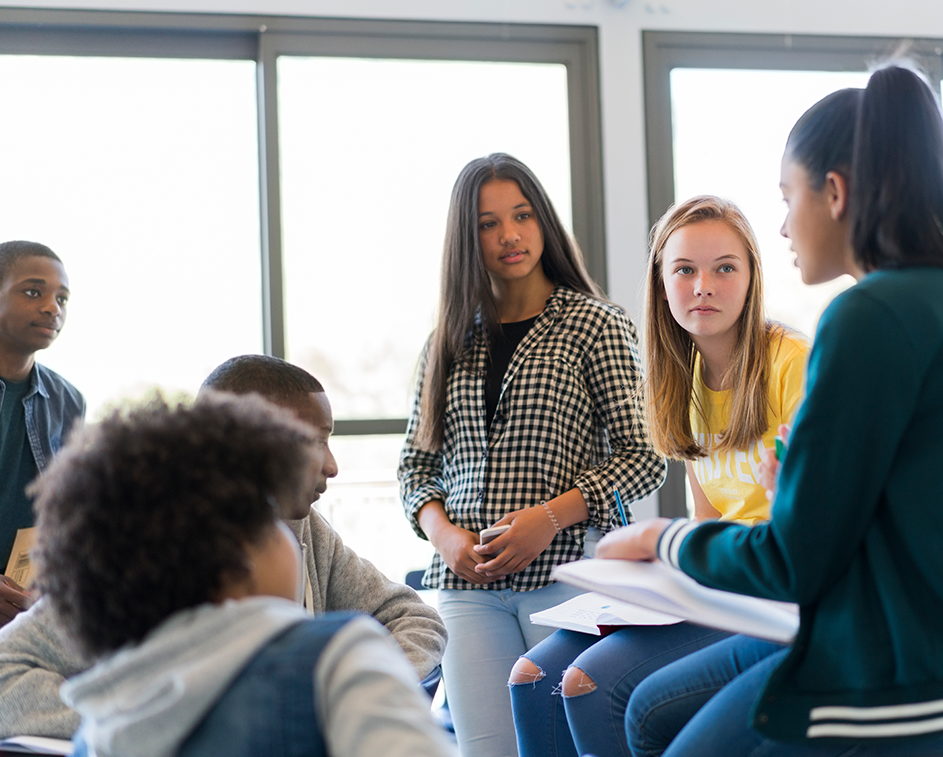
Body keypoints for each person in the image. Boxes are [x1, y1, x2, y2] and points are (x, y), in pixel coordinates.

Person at [597, 63, 943, 757]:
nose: (784, 225)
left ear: (834, 193)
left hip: (921, 680)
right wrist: (794, 486)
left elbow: (793, 563)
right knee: (650, 713)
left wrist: (662, 541)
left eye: (787, 195)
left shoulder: (869, 314)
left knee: (662, 735)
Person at [0, 354, 447, 739]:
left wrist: (356, 694)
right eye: (313, 441)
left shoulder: (308, 530)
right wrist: (146, 716)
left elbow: (415, 617)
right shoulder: (136, 547)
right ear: (241, 442)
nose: (331, 465)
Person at [509, 195, 809, 757]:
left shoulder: (793, 363)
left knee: (584, 684)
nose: (703, 286)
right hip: (714, 583)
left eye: (725, 268)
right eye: (685, 269)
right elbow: (709, 519)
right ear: (662, 282)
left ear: (751, 278)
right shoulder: (682, 378)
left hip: (768, 594)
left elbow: (810, 523)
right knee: (530, 677)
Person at [398, 153, 666, 757]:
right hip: (467, 589)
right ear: (468, 239)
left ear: (543, 220)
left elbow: (643, 455)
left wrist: (546, 519)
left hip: (565, 573)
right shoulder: (445, 341)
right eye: (488, 223)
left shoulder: (596, 324)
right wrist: (444, 537)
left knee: (562, 746)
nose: (509, 235)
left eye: (521, 215)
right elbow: (415, 468)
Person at [0, 241, 83, 629]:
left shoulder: (69, 400)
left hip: (29, 605)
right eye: (33, 292)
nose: (53, 307)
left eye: (62, 298)